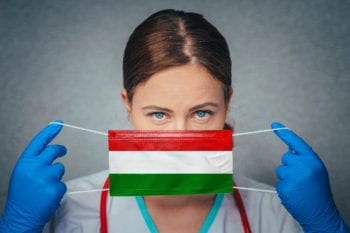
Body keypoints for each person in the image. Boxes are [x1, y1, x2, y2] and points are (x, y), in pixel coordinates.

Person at [0, 9, 348, 233]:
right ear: (128, 104)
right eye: (158, 114)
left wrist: (326, 227)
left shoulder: (278, 213)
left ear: (227, 104)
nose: (179, 137)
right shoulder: (67, 210)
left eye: (201, 113)